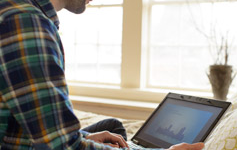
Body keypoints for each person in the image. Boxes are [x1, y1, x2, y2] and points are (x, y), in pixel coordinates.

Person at [0, 0, 205, 149]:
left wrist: (83, 138)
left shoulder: (22, 12)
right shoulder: (24, 21)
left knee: (112, 128)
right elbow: (62, 147)